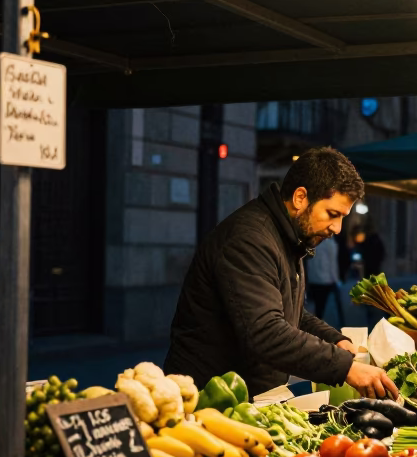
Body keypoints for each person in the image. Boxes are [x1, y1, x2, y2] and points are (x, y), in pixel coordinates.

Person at [165, 147, 396, 400]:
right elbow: (266, 331)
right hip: (209, 398)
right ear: (300, 198)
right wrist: (345, 367)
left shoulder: (288, 237)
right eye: (332, 214)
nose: (338, 228)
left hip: (249, 394)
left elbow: (289, 312)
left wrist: (335, 340)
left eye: (342, 217)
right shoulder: (249, 240)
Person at [304, 234, 344, 327]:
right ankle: (339, 324)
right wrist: (336, 279)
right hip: (327, 280)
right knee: (336, 304)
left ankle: (318, 325)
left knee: (319, 306)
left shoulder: (312, 244)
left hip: (314, 279)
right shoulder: (330, 244)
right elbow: (332, 263)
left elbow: (309, 263)